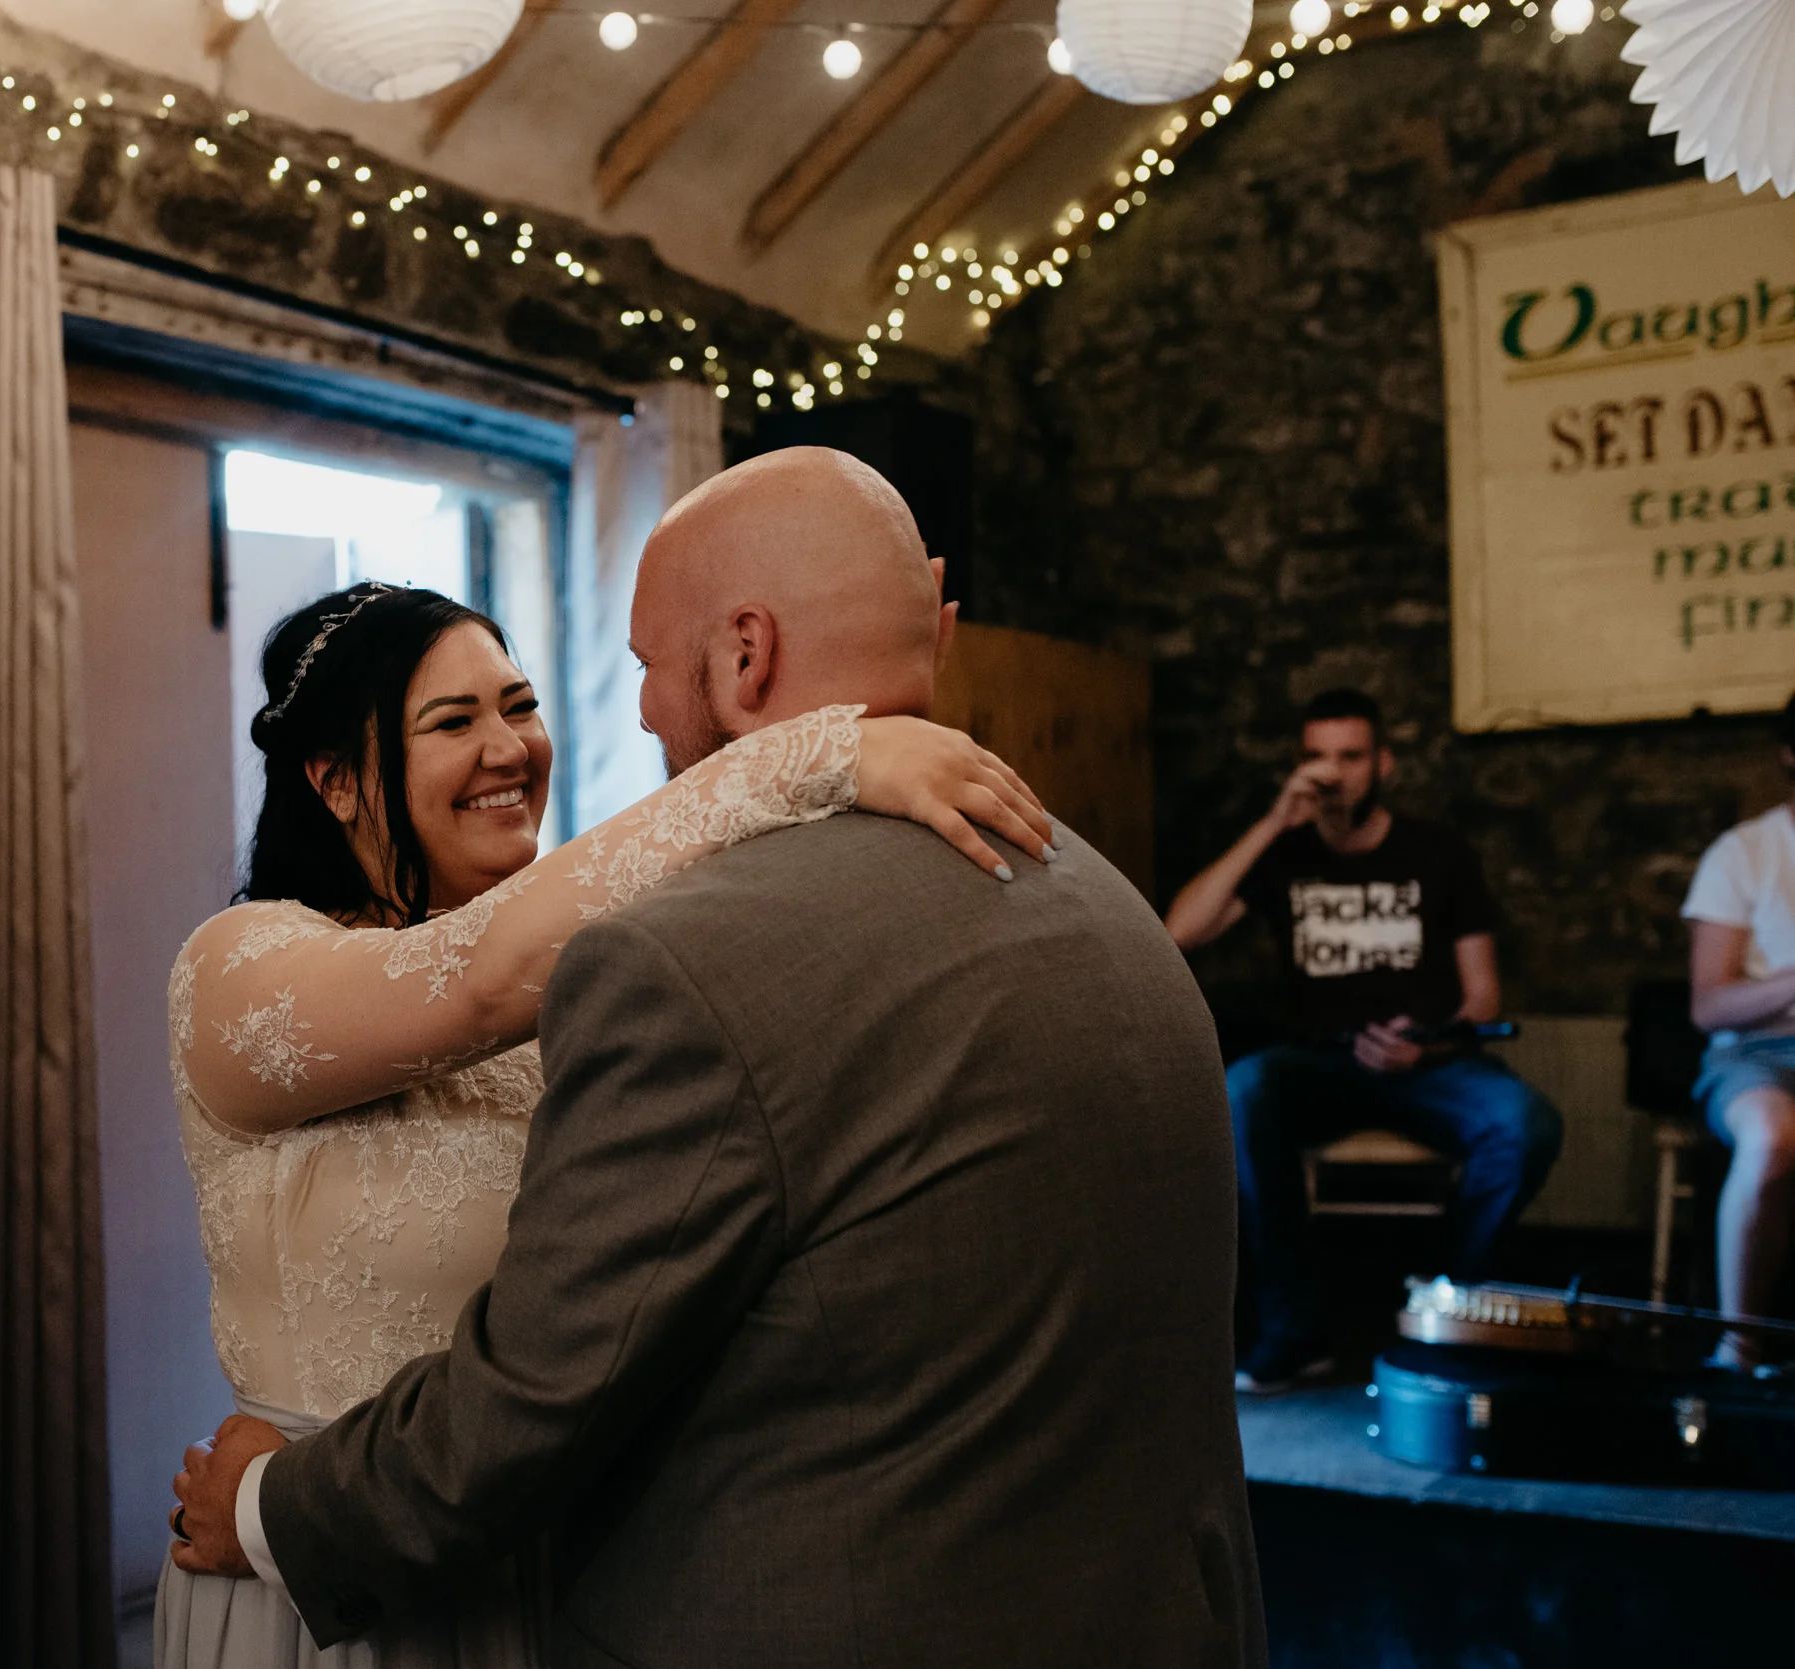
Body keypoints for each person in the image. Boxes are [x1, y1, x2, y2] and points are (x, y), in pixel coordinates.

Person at [170, 449, 1264, 1669]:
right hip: (358, 1582)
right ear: (331, 780)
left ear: (745, 657)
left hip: (531, 1540)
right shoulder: (1088, 885)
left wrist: (281, 1508)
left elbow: (561, 1367)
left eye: (525, 703)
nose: (534, 739)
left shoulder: (666, 969)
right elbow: (468, 982)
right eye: (451, 720)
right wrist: (823, 754)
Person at [1163, 688, 1563, 1393]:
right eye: (1317, 756)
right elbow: (1179, 932)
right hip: (1322, 1064)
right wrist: (1274, 822)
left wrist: (1427, 1046)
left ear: (1384, 764)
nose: (1334, 773)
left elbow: (1483, 997)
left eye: (1351, 756)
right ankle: (1293, 1329)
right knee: (1243, 1092)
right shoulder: (1287, 853)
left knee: (1525, 1123)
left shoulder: (1438, 853)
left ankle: (1441, 1306)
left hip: (1429, 1061)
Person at [1682, 691, 1795, 1375]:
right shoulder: (1745, 852)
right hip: (1757, 1053)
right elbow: (1708, 1006)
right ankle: (1739, 1346)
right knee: (1772, 1138)